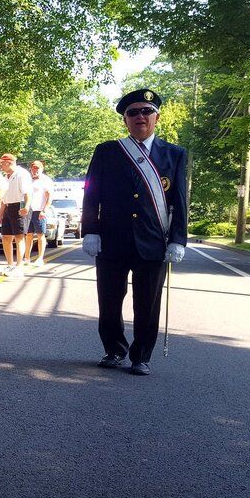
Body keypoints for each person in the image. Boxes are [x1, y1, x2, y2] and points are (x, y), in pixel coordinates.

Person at [82, 88, 188, 376]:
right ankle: (114, 349)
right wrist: (91, 230)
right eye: (133, 112)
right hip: (112, 240)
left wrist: (178, 239)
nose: (140, 116)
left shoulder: (175, 154)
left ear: (157, 117)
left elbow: (179, 199)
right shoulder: (107, 151)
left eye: (146, 111)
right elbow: (91, 194)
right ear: (125, 120)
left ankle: (141, 355)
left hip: (153, 242)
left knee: (148, 304)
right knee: (109, 300)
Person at [0, 153, 32, 278]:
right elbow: (4, 197)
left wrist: (26, 207)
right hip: (8, 206)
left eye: (2, 163)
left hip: (19, 205)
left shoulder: (22, 174)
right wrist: (0, 213)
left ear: (10, 162)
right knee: (6, 236)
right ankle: (10, 265)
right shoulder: (5, 176)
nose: (1, 165)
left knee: (19, 236)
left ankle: (19, 266)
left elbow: (27, 193)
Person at [25, 160, 53, 266]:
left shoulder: (46, 180)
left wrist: (44, 210)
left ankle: (40, 258)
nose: (34, 170)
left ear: (41, 169)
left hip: (39, 211)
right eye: (33, 168)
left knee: (40, 234)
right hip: (28, 210)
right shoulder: (28, 180)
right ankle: (26, 258)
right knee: (28, 235)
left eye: (37, 168)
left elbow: (49, 196)